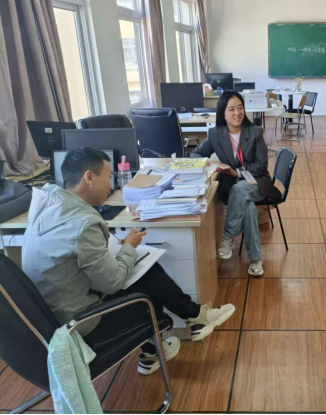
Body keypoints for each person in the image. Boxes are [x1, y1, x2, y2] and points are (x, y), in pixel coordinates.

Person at [23, 147, 235, 376]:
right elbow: (112, 283)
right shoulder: (83, 223)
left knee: (145, 272)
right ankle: (185, 326)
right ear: (89, 177)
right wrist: (128, 248)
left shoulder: (46, 206)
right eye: (109, 177)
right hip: (80, 324)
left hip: (52, 318)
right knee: (149, 287)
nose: (112, 185)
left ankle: (172, 336)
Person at [190, 91, 282, 277]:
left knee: (240, 189)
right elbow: (195, 154)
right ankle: (255, 259)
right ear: (223, 113)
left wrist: (236, 172)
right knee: (247, 207)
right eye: (231, 109)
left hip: (257, 182)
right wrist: (208, 165)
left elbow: (261, 165)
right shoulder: (215, 134)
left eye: (240, 108)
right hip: (232, 187)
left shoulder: (255, 132)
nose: (237, 113)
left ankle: (228, 236)